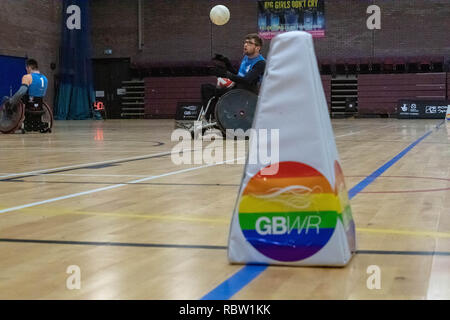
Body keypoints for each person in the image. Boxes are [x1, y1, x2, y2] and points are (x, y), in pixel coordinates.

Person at [201, 33, 266, 116]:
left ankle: (213, 117)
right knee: (206, 88)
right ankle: (214, 117)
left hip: (246, 93)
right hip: (237, 88)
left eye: (249, 43)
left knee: (208, 90)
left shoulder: (260, 63)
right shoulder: (246, 58)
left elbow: (247, 80)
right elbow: (238, 76)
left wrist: (225, 74)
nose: (245, 45)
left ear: (257, 48)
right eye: (245, 42)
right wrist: (226, 62)